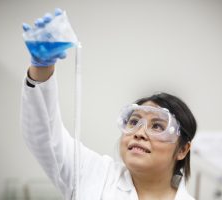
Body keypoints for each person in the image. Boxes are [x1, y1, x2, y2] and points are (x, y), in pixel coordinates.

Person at [21, 9, 197, 200]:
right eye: (134, 121)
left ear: (182, 150)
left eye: (157, 126)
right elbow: (45, 139)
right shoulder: (93, 174)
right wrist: (41, 67)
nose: (139, 133)